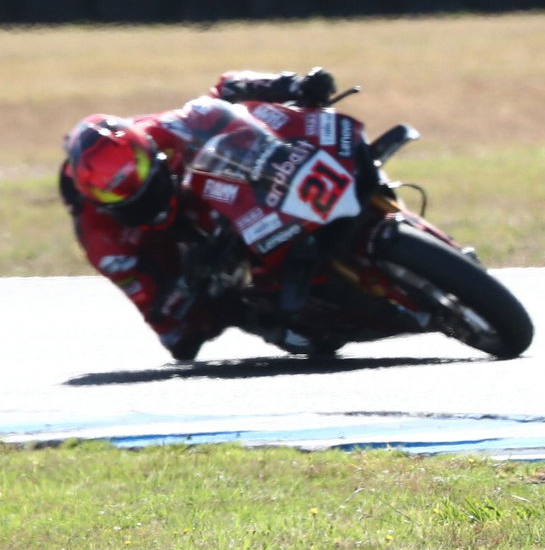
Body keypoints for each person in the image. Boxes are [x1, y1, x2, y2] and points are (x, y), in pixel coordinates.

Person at [59, 68, 340, 360]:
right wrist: (194, 280)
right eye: (114, 192)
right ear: (97, 201)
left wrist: (291, 85)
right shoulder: (104, 242)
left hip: (208, 195)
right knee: (198, 325)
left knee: (248, 137)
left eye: (141, 167)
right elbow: (172, 335)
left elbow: (222, 95)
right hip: (181, 252)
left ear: (147, 149)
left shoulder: (154, 131)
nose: (136, 183)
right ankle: (269, 314)